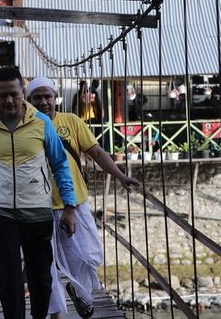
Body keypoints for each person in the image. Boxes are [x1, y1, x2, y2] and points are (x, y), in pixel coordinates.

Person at [0, 67, 78, 319]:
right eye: (2, 96)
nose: (9, 101)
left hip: (37, 210)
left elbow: (59, 164)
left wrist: (69, 206)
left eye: (14, 94)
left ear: (23, 92)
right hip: (1, 211)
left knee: (40, 276)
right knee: (9, 275)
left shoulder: (41, 123)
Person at [27, 76, 141, 319]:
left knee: (88, 256)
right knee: (46, 267)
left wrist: (121, 176)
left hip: (75, 203)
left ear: (55, 97)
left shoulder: (72, 121)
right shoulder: (25, 127)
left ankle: (77, 289)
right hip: (39, 207)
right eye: (37, 97)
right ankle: (57, 314)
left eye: (48, 96)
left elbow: (97, 152)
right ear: (28, 101)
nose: (44, 102)